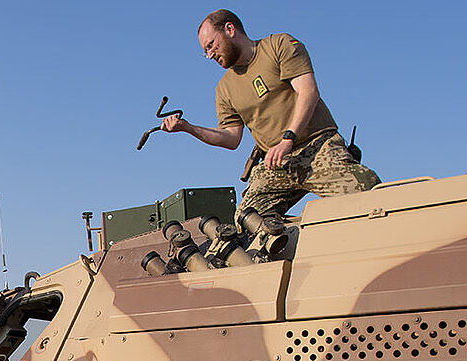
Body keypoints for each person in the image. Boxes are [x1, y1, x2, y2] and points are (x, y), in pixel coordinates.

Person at [162, 9, 380, 224]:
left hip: (316, 147)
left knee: (368, 196)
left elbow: (308, 92)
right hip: (276, 163)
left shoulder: (278, 46)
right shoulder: (224, 89)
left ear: (229, 29)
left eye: (211, 45)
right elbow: (231, 138)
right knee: (247, 220)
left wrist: (288, 138)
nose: (210, 55)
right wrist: (188, 128)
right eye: (205, 51)